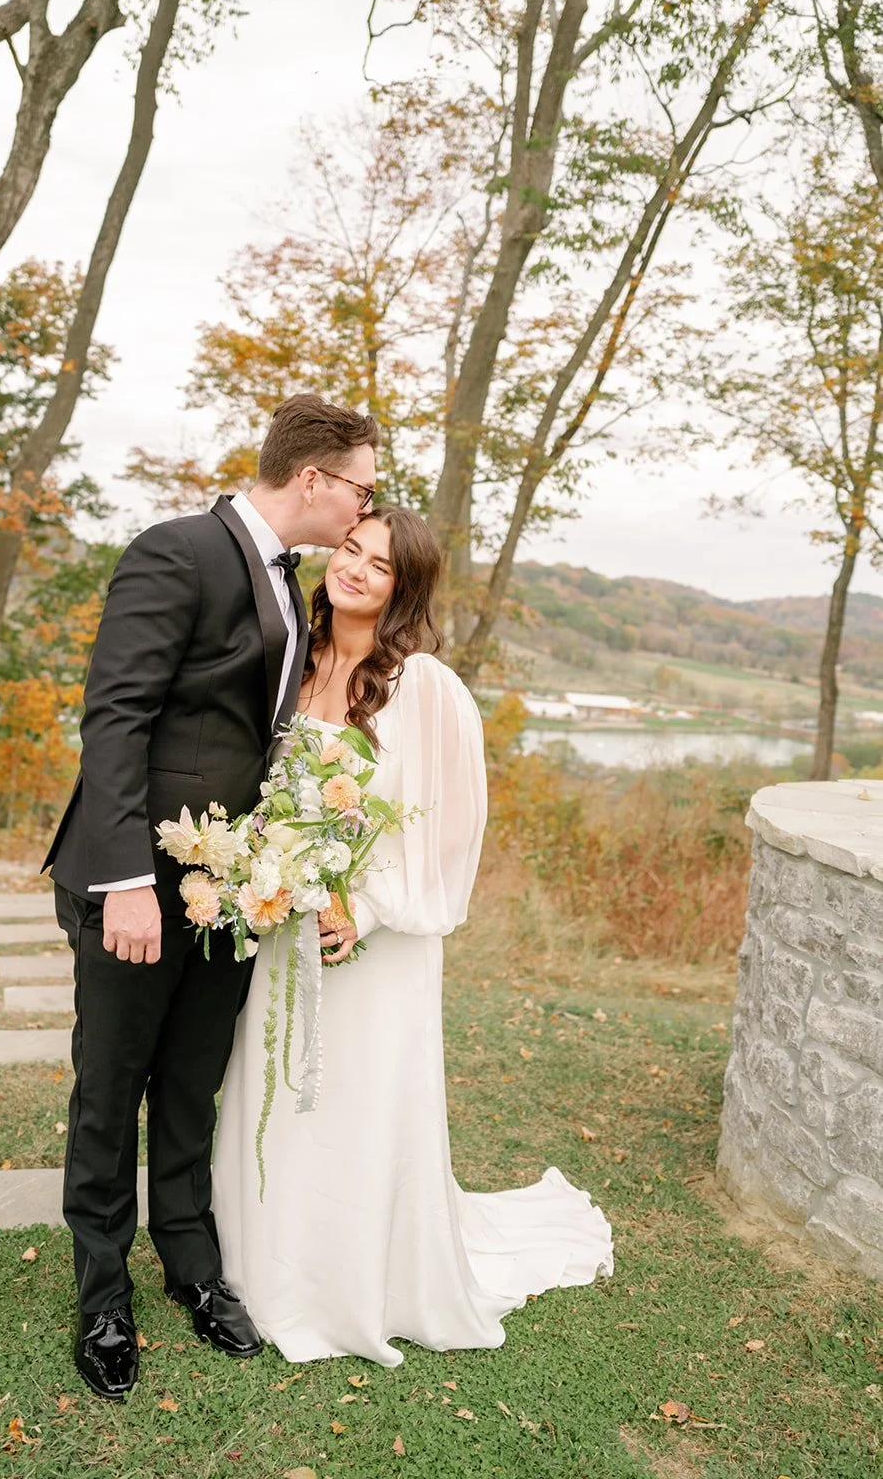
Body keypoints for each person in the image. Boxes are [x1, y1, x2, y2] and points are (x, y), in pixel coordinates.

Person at [211, 506, 614, 1365]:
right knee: (278, 1093)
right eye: (349, 549)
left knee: (357, 1101)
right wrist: (267, 873)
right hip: (286, 931)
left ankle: (358, 1280)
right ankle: (264, 1266)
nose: (354, 568)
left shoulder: (425, 687)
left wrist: (365, 904)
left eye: (380, 564)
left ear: (406, 588)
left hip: (374, 945)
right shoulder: (295, 664)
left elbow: (450, 831)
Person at [43, 394, 379, 1398]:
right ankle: (103, 1295)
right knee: (112, 1090)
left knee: (191, 1086)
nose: (367, 504)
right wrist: (128, 885)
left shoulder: (290, 585)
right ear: (313, 479)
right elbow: (117, 720)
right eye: (363, 485)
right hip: (140, 886)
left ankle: (192, 1266)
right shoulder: (176, 550)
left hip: (235, 893)